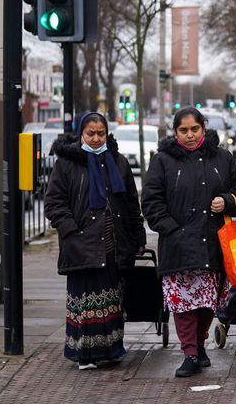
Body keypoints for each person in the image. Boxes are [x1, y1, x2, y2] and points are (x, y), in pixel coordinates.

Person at [141, 107, 236, 377]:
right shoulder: (163, 160)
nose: (189, 135)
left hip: (214, 242)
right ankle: (189, 352)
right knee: (183, 304)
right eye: (183, 130)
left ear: (203, 128)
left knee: (206, 302)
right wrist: (172, 230)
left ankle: (199, 346)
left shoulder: (221, 157)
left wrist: (226, 200)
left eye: (194, 129)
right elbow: (151, 202)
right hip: (178, 245)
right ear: (175, 131)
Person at [45, 112, 146, 370]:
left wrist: (138, 237)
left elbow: (131, 203)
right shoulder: (67, 163)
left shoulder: (118, 162)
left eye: (101, 133)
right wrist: (71, 231)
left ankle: (111, 350)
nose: (96, 138)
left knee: (112, 299)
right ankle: (85, 354)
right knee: (86, 298)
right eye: (91, 133)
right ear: (81, 133)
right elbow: (54, 203)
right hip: (82, 245)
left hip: (114, 243)